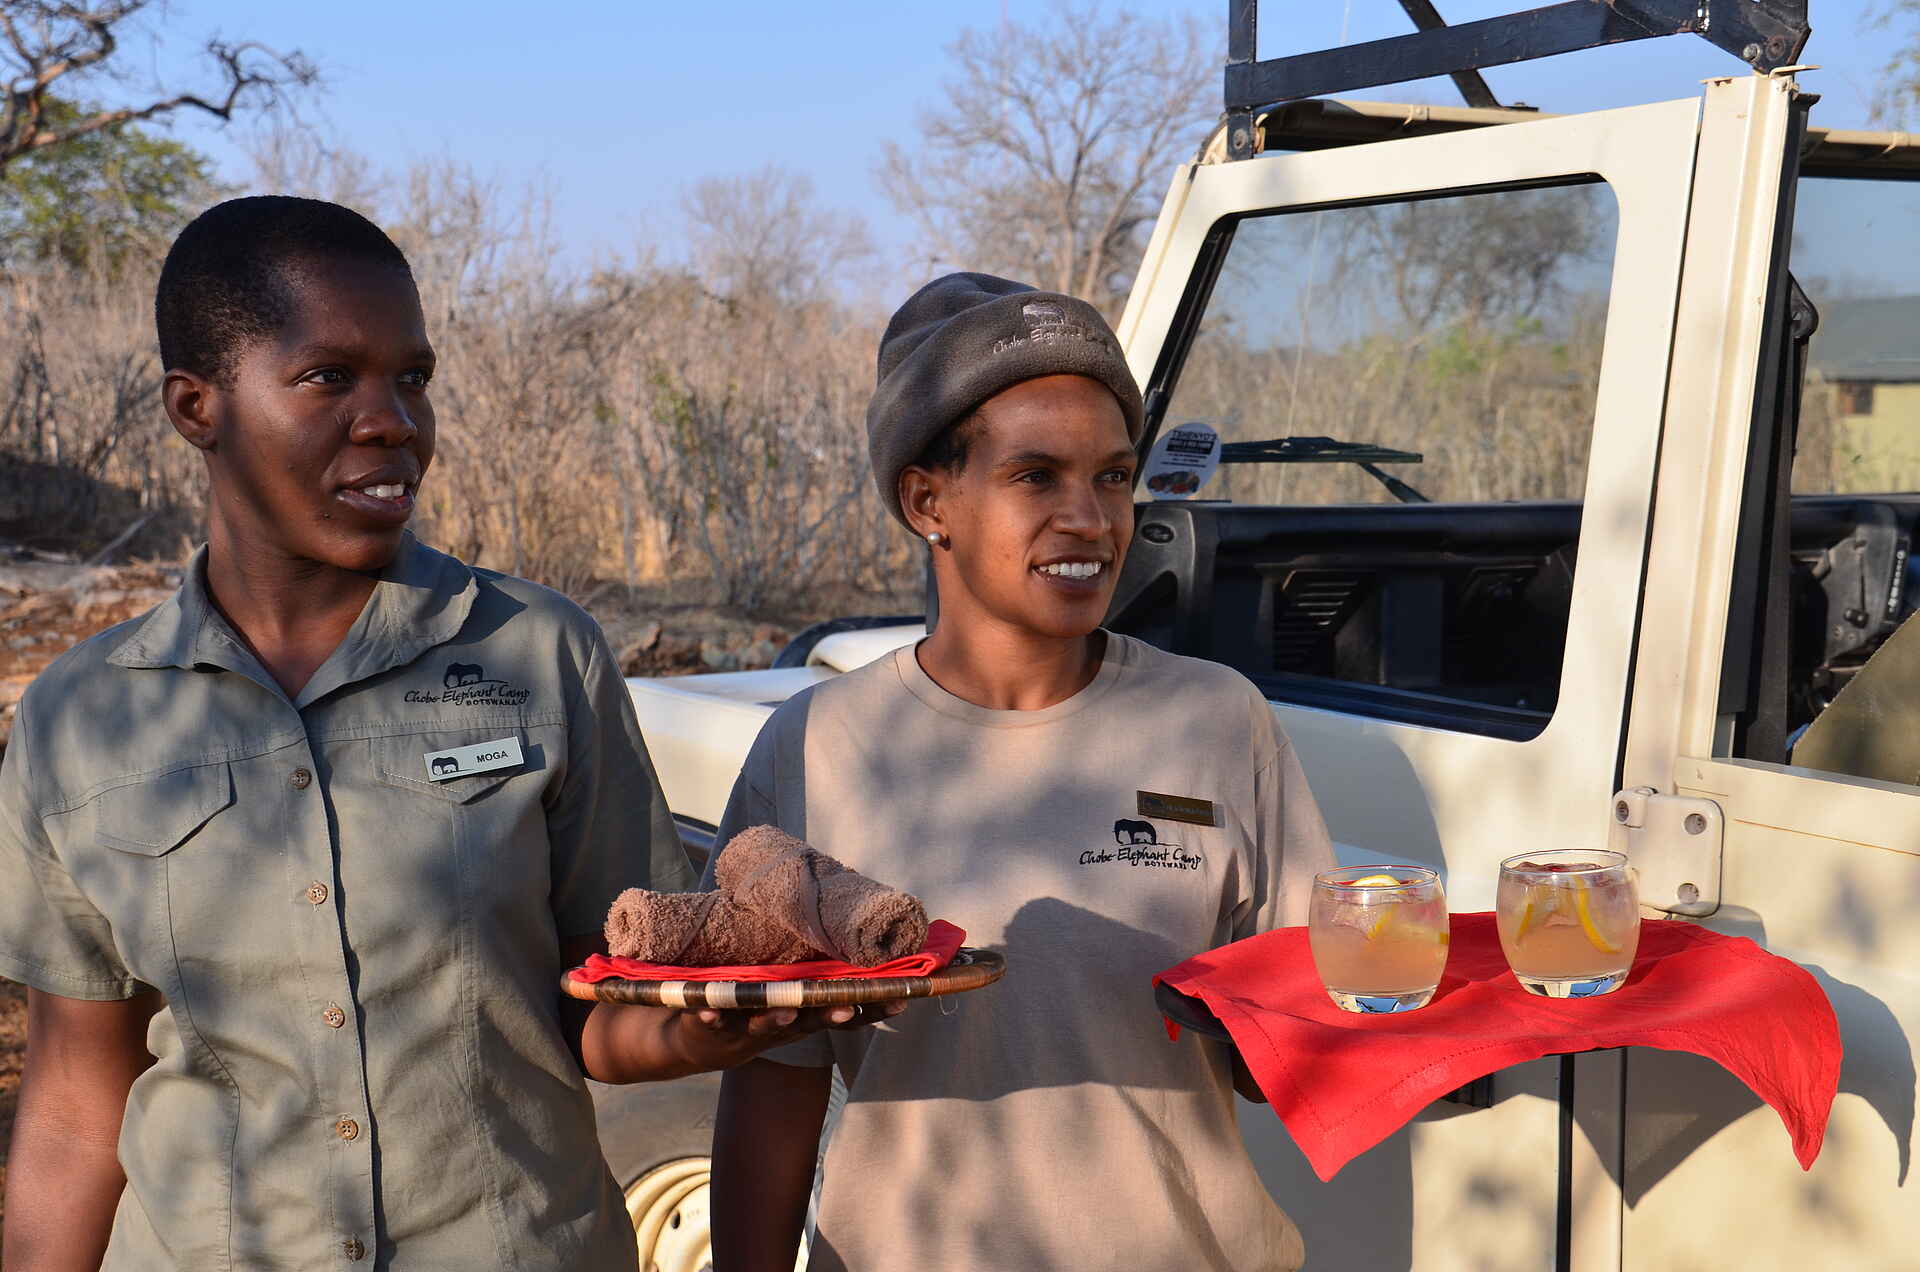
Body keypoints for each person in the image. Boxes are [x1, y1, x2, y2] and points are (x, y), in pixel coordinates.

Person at [0, 196, 873, 1272]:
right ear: (197, 406)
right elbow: (76, 1105)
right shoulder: (80, 719)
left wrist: (715, 1027)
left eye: (412, 377)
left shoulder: (538, 654)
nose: (393, 421)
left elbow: (602, 1007)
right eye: (330, 377)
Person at [709, 273, 1339, 1271]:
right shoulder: (815, 747)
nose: (1090, 518)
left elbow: (1300, 1047)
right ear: (928, 500)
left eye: (1116, 476)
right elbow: (774, 1075)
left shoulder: (1219, 721)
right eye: (1036, 476)